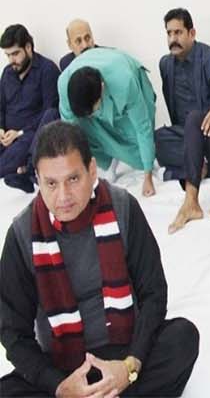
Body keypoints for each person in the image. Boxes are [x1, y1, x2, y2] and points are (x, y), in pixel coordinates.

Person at [1, 121, 199, 397]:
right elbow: (13, 332)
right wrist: (59, 387)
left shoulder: (123, 207)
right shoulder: (22, 233)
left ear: (91, 170)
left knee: (182, 338)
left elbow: (154, 293)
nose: (63, 196)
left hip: (124, 353)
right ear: (38, 179)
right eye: (51, 183)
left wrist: (130, 366)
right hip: (63, 366)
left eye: (73, 179)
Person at [150, 8, 210, 234]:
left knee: (195, 122)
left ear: (192, 33)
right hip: (185, 134)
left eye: (178, 32)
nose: (173, 39)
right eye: (169, 33)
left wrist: (199, 142)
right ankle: (200, 165)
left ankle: (192, 168)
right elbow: (173, 109)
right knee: (157, 140)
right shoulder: (166, 64)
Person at [58, 47, 160, 197]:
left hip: (127, 77)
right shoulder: (63, 84)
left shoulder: (124, 81)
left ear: (102, 88)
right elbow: (70, 135)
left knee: (139, 150)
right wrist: (74, 176)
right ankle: (109, 161)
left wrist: (148, 177)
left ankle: (147, 162)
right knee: (79, 134)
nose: (93, 114)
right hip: (97, 90)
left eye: (93, 109)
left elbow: (142, 127)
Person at [0, 24, 59, 193]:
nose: (11, 60)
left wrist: (19, 133)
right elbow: (1, 106)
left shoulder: (47, 70)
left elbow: (50, 111)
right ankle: (18, 170)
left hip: (28, 135)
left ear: (28, 47)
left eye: (15, 54)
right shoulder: (7, 73)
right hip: (5, 135)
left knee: (13, 156)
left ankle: (25, 171)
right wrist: (1, 128)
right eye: (8, 55)